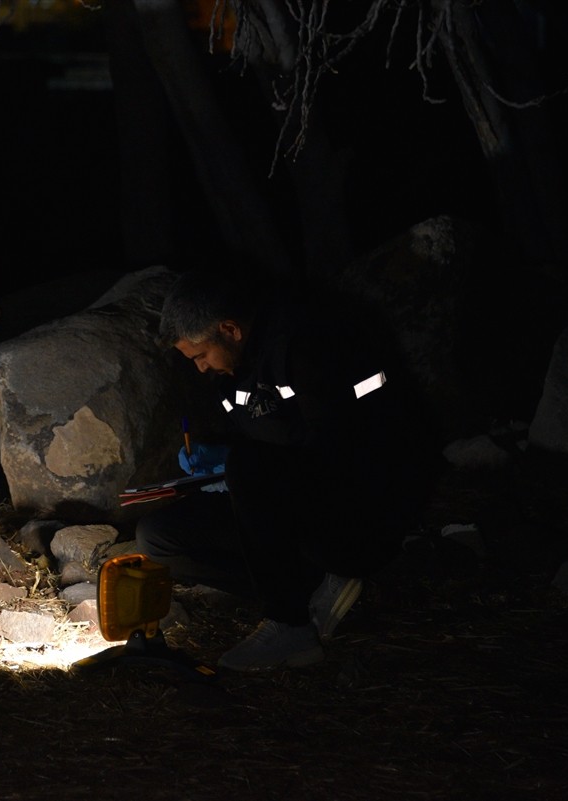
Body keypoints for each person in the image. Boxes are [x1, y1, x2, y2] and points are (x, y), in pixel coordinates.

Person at [137, 269, 437, 670]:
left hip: (355, 504)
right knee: (157, 538)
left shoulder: (306, 342)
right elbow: (256, 433)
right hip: (284, 502)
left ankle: (291, 624)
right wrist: (216, 457)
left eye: (200, 356)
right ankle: (311, 588)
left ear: (229, 328)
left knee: (248, 467)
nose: (201, 368)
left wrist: (241, 463)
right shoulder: (234, 367)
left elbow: (336, 445)